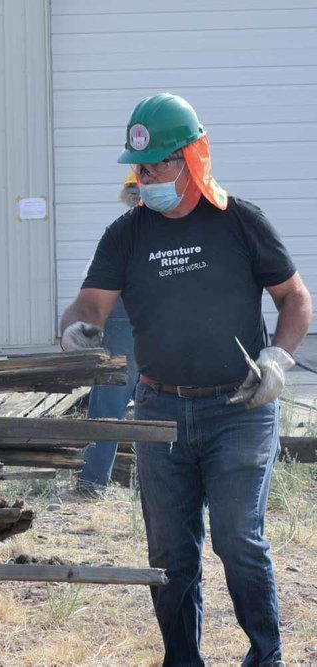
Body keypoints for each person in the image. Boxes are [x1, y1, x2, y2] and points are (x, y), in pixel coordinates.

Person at [59, 92, 312, 666]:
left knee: (238, 541)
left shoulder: (241, 223)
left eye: (161, 165)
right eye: (141, 167)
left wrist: (277, 358)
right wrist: (77, 331)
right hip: (159, 410)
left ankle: (265, 655)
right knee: (170, 553)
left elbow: (295, 299)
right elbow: (87, 308)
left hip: (239, 410)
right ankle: (182, 659)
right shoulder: (127, 234)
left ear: (195, 157)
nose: (148, 178)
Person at [74, 172, 141, 495]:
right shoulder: (168, 233)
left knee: (109, 407)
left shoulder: (119, 235)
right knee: (161, 408)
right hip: (139, 325)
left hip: (123, 326)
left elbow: (93, 288)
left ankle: (91, 484)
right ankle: (159, 488)